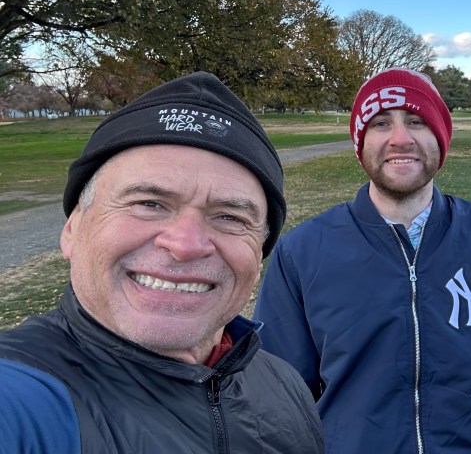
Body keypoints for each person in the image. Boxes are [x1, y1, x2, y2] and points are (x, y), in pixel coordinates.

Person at [0, 72, 324, 453]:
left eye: (229, 217)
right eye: (149, 204)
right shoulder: (19, 399)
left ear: (258, 254)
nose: (185, 244)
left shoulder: (285, 385)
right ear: (72, 229)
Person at [253, 67, 471, 453]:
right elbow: (278, 399)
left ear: (440, 137)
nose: (400, 139)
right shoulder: (302, 252)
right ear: (361, 141)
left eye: (417, 121)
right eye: (381, 123)